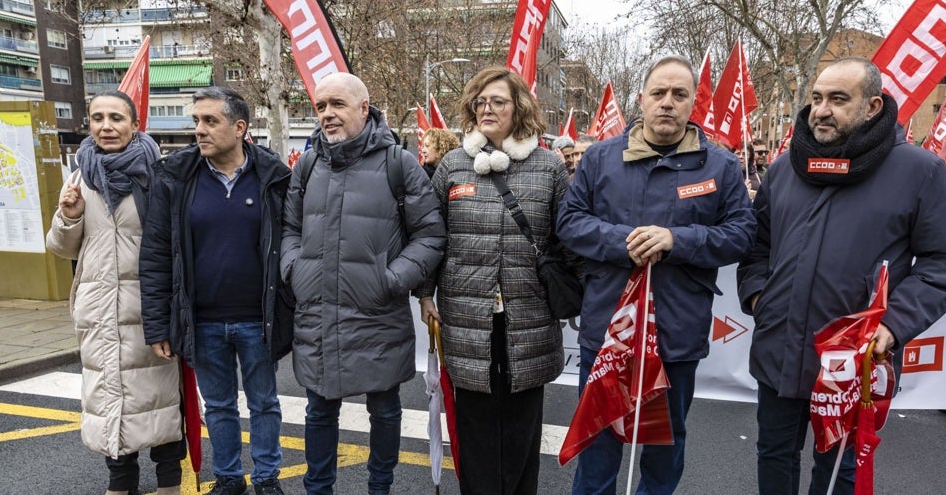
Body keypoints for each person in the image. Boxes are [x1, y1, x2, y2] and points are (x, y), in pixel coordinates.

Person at [736, 57, 946, 495]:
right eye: (817, 98)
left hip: (856, 364)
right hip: (779, 351)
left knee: (839, 472)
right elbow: (757, 248)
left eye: (838, 99)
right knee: (773, 456)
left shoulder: (919, 171)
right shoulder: (785, 168)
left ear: (873, 107)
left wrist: (892, 325)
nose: (821, 110)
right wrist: (759, 300)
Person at [557, 56, 756, 495]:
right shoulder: (600, 160)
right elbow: (569, 222)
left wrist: (676, 240)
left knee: (664, 448)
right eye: (659, 93)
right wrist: (622, 240)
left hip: (676, 334)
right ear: (642, 99)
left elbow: (741, 235)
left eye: (679, 95)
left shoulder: (720, 166)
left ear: (692, 104)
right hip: (608, 328)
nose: (667, 103)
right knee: (598, 440)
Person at [281, 72, 446, 495]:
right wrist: (295, 269)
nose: (327, 114)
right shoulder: (311, 163)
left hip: (377, 312)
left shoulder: (398, 163)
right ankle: (318, 489)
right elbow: (290, 228)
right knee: (319, 411)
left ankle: (380, 489)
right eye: (320, 106)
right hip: (318, 310)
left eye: (337, 104)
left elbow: (430, 234)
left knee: (385, 411)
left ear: (363, 108)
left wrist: (391, 279)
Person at [417, 66, 573, 495]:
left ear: (518, 108)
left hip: (529, 318)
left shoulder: (548, 167)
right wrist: (424, 292)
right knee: (475, 428)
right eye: (480, 101)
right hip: (467, 319)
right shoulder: (452, 165)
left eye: (498, 101)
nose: (487, 108)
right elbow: (432, 235)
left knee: (523, 429)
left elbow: (566, 241)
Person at [140, 87, 291, 495]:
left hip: (258, 317)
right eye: (196, 121)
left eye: (210, 121)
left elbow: (291, 245)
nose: (199, 130)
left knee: (264, 403)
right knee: (219, 406)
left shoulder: (273, 177)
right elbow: (155, 254)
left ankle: (266, 478)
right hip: (201, 320)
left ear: (240, 127)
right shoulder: (176, 178)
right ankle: (228, 478)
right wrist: (157, 325)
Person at [46, 90, 185, 495]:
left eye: (116, 118)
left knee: (160, 400)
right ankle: (120, 484)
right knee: (110, 399)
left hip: (148, 308)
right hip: (99, 311)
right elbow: (61, 248)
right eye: (98, 118)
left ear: (135, 125)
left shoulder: (159, 176)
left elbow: (174, 245)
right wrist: (68, 218)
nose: (106, 126)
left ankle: (169, 485)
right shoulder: (79, 177)